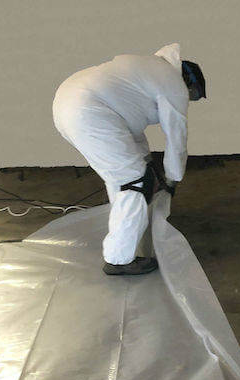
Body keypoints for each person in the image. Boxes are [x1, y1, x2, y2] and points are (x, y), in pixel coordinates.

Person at [52, 43, 205, 275]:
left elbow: (129, 131)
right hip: (88, 111)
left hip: (69, 104)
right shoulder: (174, 85)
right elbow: (177, 138)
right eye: (192, 96)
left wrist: (149, 163)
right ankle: (119, 259)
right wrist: (173, 179)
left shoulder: (150, 69)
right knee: (135, 181)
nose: (188, 100)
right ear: (188, 81)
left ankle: (127, 232)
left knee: (124, 177)